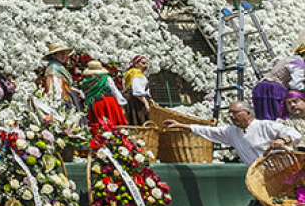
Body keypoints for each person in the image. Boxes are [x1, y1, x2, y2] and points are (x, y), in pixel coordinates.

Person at [164, 101, 301, 166]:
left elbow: (293, 133)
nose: (231, 116)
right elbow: (208, 131)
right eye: (229, 113)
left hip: (283, 172)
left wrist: (283, 140)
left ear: (248, 113)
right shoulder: (232, 132)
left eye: (235, 112)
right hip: (259, 178)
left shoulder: (265, 126)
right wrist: (181, 126)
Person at [253, 41, 305, 120]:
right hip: (274, 90)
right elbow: (296, 85)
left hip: (260, 89)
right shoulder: (299, 64)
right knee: (277, 120)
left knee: (263, 121)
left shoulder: (287, 59)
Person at [81, 60, 128, 131]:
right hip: (108, 102)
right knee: (112, 122)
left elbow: (84, 95)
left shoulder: (86, 82)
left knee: (98, 125)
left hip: (95, 103)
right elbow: (114, 90)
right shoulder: (106, 78)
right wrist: (121, 101)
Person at [42, 41, 79, 111]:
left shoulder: (59, 67)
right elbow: (54, 89)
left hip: (67, 97)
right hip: (62, 101)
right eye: (61, 54)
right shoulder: (53, 69)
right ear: (53, 55)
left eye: (65, 54)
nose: (64, 56)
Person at [122, 55, 152, 125]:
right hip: (137, 102)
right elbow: (137, 92)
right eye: (143, 63)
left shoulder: (130, 73)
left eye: (147, 64)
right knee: (140, 121)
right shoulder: (136, 74)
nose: (146, 66)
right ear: (136, 64)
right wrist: (146, 103)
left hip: (130, 99)